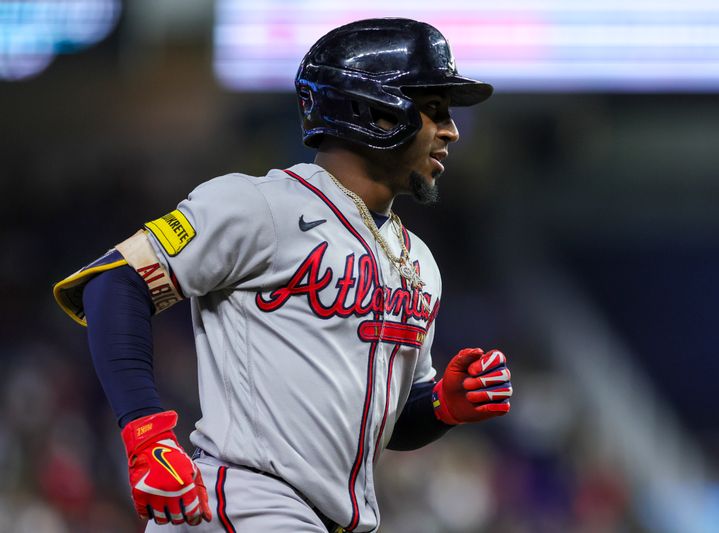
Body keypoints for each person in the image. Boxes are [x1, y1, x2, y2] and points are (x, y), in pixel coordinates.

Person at [53, 18, 513, 532]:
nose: (450, 130)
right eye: (433, 109)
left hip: (318, 519)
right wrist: (146, 433)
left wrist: (442, 407)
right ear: (374, 110)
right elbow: (113, 282)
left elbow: (386, 425)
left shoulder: (420, 262)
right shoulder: (261, 205)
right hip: (244, 504)